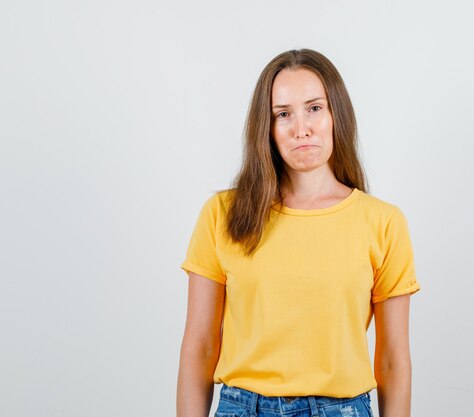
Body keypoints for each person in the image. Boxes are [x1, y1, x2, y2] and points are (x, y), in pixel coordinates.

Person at [176, 48, 420, 417]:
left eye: (314, 108)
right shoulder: (223, 214)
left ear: (337, 113)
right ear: (267, 127)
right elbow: (200, 347)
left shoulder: (382, 222)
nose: (301, 127)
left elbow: (392, 360)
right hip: (243, 407)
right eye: (283, 114)